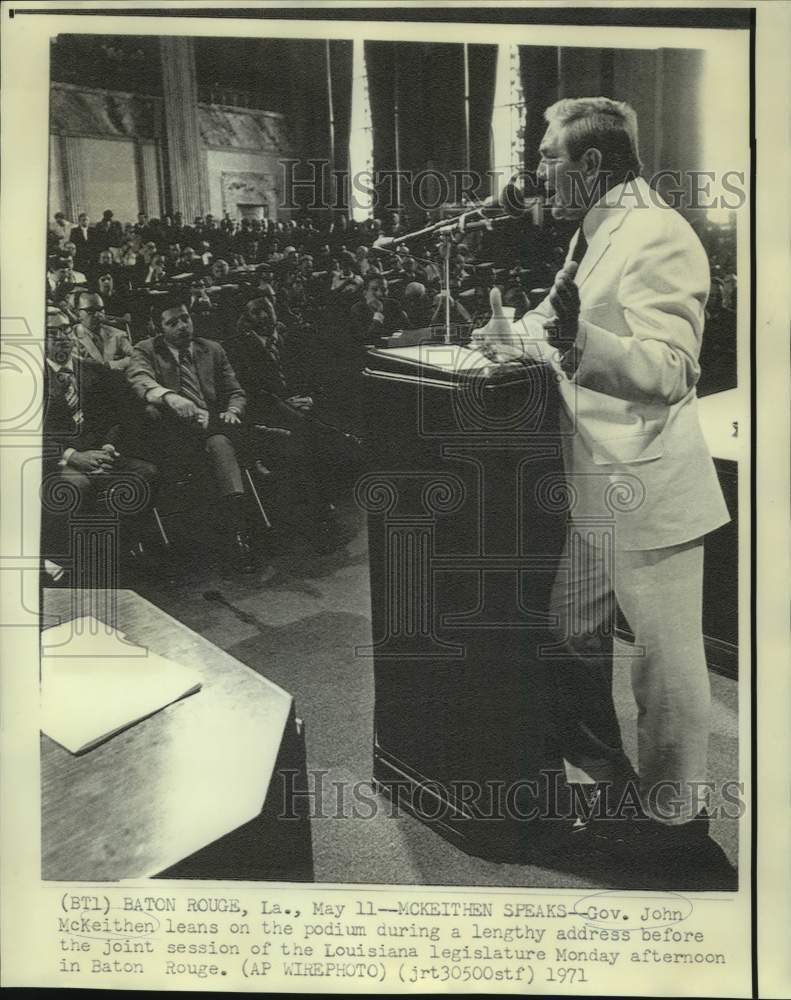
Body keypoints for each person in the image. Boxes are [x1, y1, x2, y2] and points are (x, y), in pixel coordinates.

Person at [472, 97, 733, 886]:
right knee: (566, 633)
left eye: (550, 157)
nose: (537, 172)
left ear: (590, 164)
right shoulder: (594, 230)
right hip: (595, 484)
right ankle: (612, 780)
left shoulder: (657, 233)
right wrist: (505, 334)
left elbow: (670, 372)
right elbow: (557, 319)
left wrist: (574, 339)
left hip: (647, 488)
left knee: (665, 665)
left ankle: (673, 823)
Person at [126, 296, 259, 572]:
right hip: (171, 431)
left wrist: (233, 410)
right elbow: (140, 379)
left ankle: (238, 534)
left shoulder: (211, 348)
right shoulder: (146, 349)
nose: (182, 326)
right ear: (158, 327)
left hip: (212, 427)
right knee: (224, 441)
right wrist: (170, 397)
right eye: (172, 322)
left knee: (221, 442)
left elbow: (235, 390)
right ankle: (232, 529)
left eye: (185, 318)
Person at [41, 307, 157, 585]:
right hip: (54, 461)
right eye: (52, 332)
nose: (62, 337)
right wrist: (73, 456)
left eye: (66, 329)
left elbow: (114, 418)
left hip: (97, 453)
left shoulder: (91, 370)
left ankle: (114, 551)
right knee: (76, 485)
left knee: (146, 473)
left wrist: (107, 446)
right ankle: (73, 564)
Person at [72, 290, 134, 372]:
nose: (98, 315)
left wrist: (110, 365)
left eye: (100, 310)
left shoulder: (117, 334)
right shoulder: (71, 336)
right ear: (77, 313)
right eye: (90, 311)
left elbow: (136, 357)